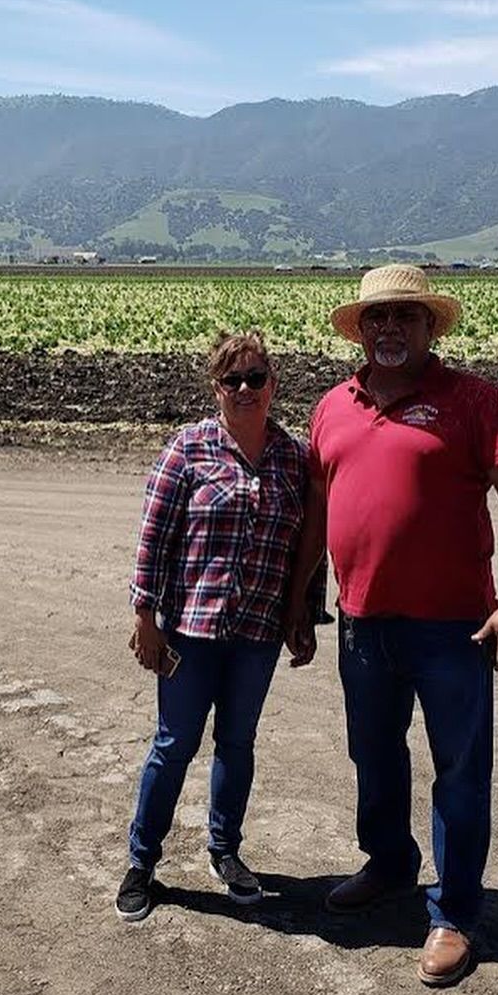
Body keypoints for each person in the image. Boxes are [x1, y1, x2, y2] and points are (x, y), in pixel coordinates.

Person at [285, 265, 498, 988]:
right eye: (378, 319)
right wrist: (302, 599)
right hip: (363, 621)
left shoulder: (474, 401)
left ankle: (455, 912)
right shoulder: (332, 406)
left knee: (460, 770)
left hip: (455, 627)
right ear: (360, 331)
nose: (390, 330)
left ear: (432, 327)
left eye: (406, 317)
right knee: (373, 752)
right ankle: (390, 863)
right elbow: (319, 511)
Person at [116, 330, 314, 923]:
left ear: (274, 385)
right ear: (216, 388)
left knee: (238, 743)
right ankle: (142, 862)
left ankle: (225, 851)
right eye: (234, 380)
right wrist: (144, 615)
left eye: (257, 378)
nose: (246, 389)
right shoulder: (189, 449)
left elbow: (307, 543)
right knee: (174, 743)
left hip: (256, 633)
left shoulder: (293, 457)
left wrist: (302, 613)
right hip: (190, 632)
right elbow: (154, 537)